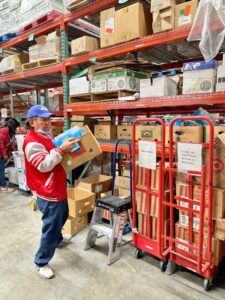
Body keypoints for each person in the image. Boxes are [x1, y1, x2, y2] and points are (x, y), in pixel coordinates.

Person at [23, 105, 78, 279]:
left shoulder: (45, 135)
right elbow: (43, 165)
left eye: (49, 119)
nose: (48, 123)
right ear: (32, 122)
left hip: (57, 186)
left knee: (63, 216)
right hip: (47, 190)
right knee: (51, 226)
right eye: (43, 120)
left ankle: (58, 240)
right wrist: (62, 149)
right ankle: (41, 262)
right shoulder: (32, 142)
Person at [0, 118, 20, 192]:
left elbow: (9, 143)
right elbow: (1, 143)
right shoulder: (4, 130)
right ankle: (4, 186)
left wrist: (14, 151)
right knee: (1, 170)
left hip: (1, 153)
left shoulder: (8, 132)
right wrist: (5, 154)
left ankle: (1, 185)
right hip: (0, 153)